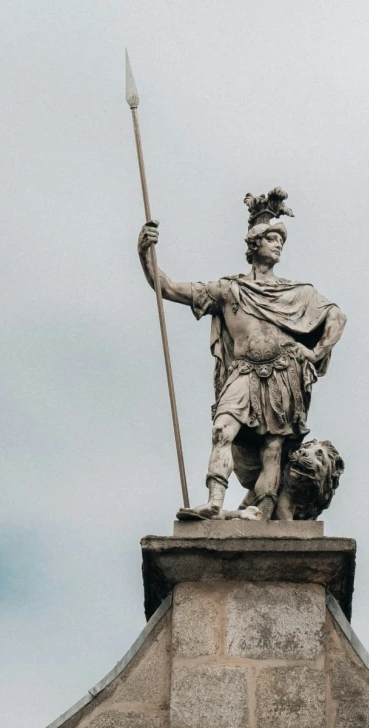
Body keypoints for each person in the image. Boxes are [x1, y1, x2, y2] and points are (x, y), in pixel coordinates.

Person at [137, 189, 346, 519]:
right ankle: (214, 502)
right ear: (255, 244)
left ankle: (261, 518)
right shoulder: (228, 289)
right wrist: (145, 252)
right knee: (222, 429)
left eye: (281, 240)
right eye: (273, 238)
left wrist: (316, 352)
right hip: (244, 372)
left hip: (282, 375)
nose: (279, 245)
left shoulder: (298, 293)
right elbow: (168, 287)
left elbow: (336, 317)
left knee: (272, 451)